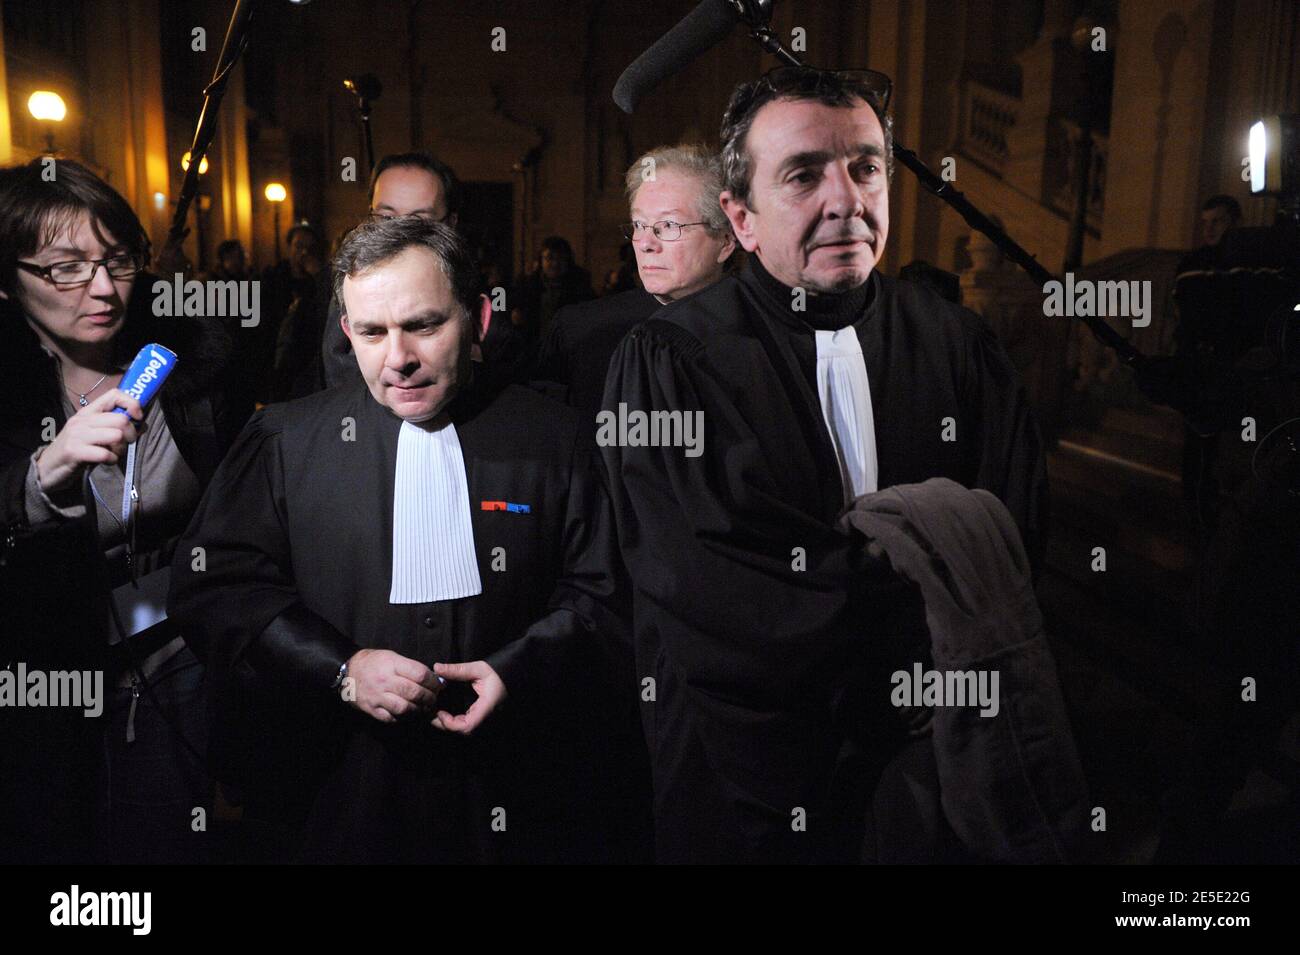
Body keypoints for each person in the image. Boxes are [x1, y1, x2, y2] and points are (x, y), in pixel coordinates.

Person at [601, 66, 1048, 863]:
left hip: (929, 753)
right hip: (748, 763)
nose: (847, 199)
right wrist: (899, 652)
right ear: (740, 218)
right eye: (805, 174)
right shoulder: (670, 358)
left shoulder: (958, 345)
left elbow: (1013, 534)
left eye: (866, 167)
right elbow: (702, 581)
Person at [168, 216, 627, 863]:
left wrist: (518, 669)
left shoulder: (555, 436)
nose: (398, 358)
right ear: (347, 329)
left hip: (516, 785)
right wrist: (338, 667)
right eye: (373, 331)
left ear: (478, 320)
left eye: (424, 324)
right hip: (341, 782)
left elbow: (600, 589)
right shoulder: (285, 441)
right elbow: (216, 584)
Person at [0, 158, 239, 863]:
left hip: (177, 663)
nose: (104, 289)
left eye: (118, 260)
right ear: (8, 281)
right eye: (65, 268)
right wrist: (41, 475)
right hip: (43, 674)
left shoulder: (194, 366)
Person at [536, 144, 737, 439]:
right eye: (639, 225)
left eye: (668, 225)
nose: (645, 243)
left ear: (726, 240)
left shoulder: (765, 339)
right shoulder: (578, 331)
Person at [320, 152, 463, 389]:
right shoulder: (353, 286)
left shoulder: (464, 282)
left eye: (418, 220)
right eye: (386, 218)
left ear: (450, 223)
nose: (399, 233)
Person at [509, 236, 594, 344]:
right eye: (550, 258)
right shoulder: (528, 286)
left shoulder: (580, 288)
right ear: (541, 260)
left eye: (560, 258)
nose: (555, 263)